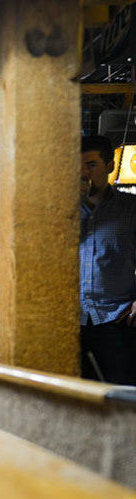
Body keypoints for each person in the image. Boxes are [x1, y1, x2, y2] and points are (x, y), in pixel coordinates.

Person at [80, 134, 136, 384]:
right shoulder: (61, 212)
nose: (83, 173)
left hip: (116, 317)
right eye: (77, 166)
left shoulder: (130, 209)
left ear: (110, 166)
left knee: (119, 396)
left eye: (91, 165)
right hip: (70, 319)